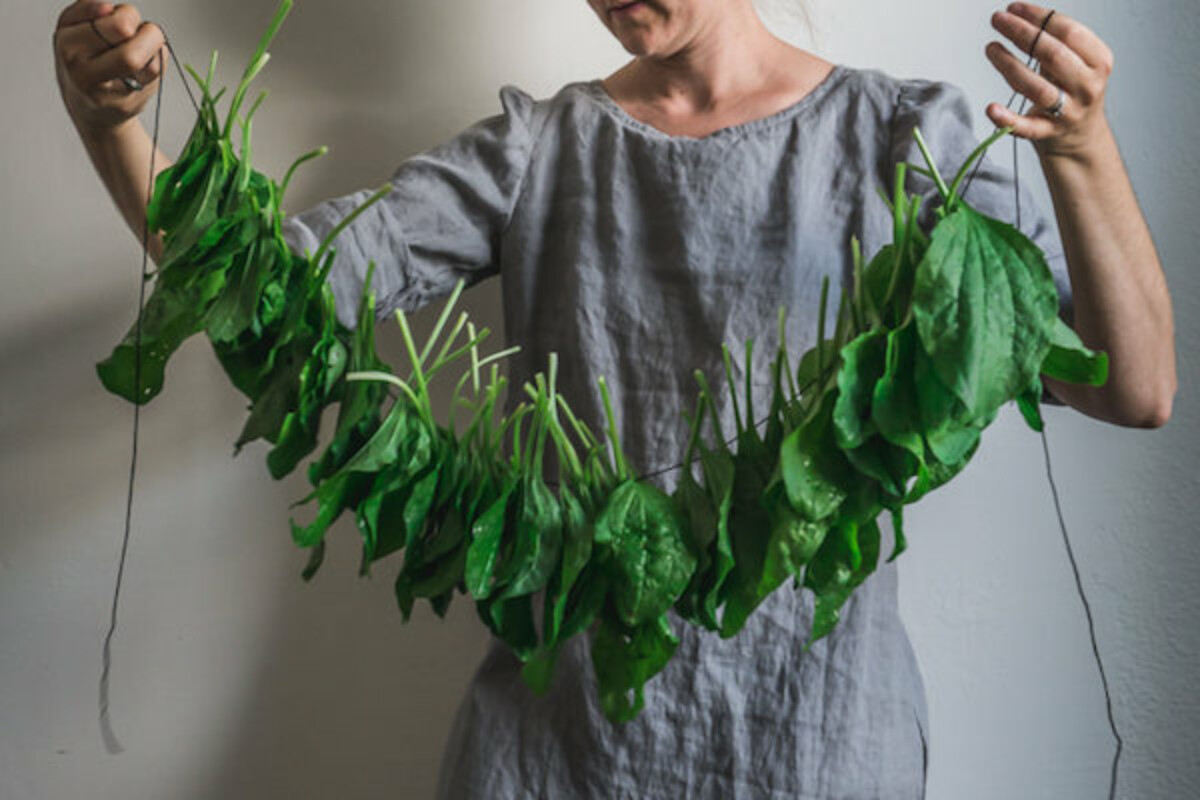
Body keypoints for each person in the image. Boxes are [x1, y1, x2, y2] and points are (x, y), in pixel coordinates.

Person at [54, 0, 1175, 796]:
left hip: (821, 751)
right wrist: (113, 128)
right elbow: (266, 289)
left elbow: (1133, 384)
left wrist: (1080, 151)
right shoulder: (540, 150)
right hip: (554, 756)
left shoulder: (903, 140)